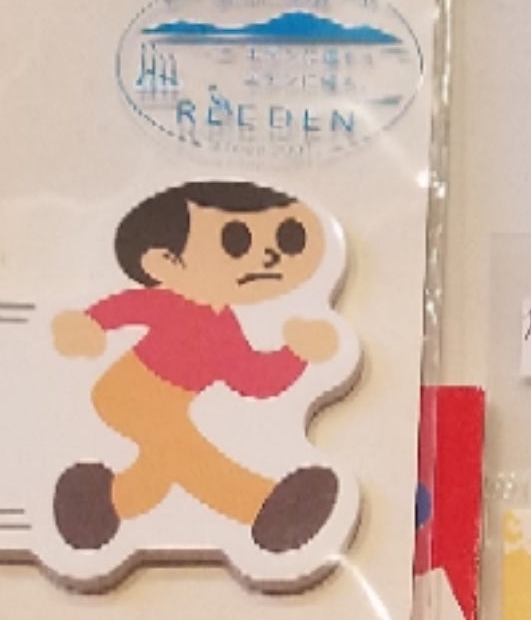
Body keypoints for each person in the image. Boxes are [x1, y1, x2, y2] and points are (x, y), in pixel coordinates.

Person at [50, 180, 346, 556]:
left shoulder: (226, 329)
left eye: (288, 239)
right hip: (124, 394)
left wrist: (296, 354)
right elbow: (127, 307)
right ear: (165, 263)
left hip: (167, 407)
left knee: (161, 467)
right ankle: (262, 506)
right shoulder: (171, 303)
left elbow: (255, 379)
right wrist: (89, 325)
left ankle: (99, 507)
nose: (269, 257)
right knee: (188, 453)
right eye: (235, 242)